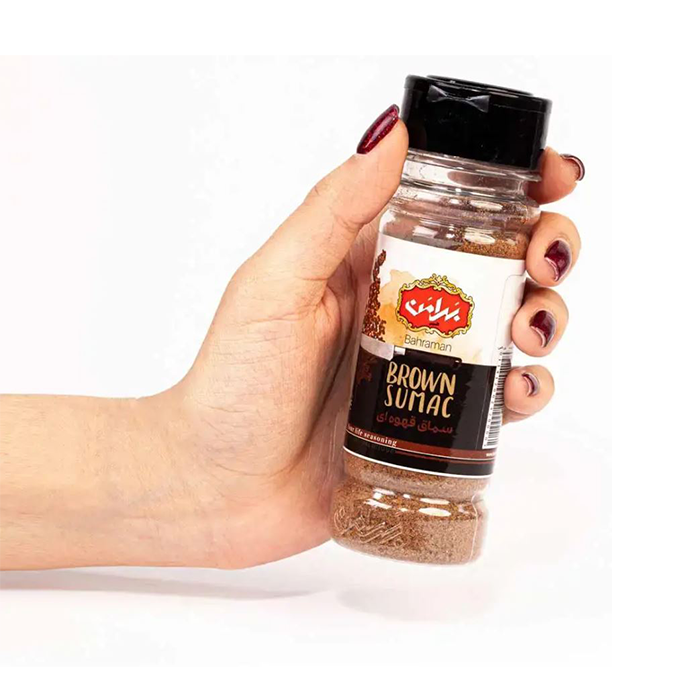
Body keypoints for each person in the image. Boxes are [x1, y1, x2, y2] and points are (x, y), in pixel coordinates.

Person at [0, 107, 584, 571]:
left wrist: (187, 472)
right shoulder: (403, 217)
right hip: (356, 471)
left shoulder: (505, 231)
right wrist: (186, 465)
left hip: (443, 480)